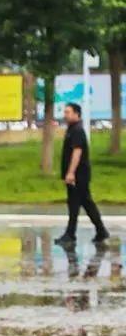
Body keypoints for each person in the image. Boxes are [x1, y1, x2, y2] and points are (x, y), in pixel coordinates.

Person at [55, 102, 110, 248]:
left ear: (76, 114)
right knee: (85, 203)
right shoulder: (72, 129)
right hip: (78, 174)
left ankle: (70, 234)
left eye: (68, 112)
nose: (65, 115)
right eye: (65, 112)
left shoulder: (77, 130)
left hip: (79, 175)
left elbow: (77, 152)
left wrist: (71, 172)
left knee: (74, 204)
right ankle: (101, 231)